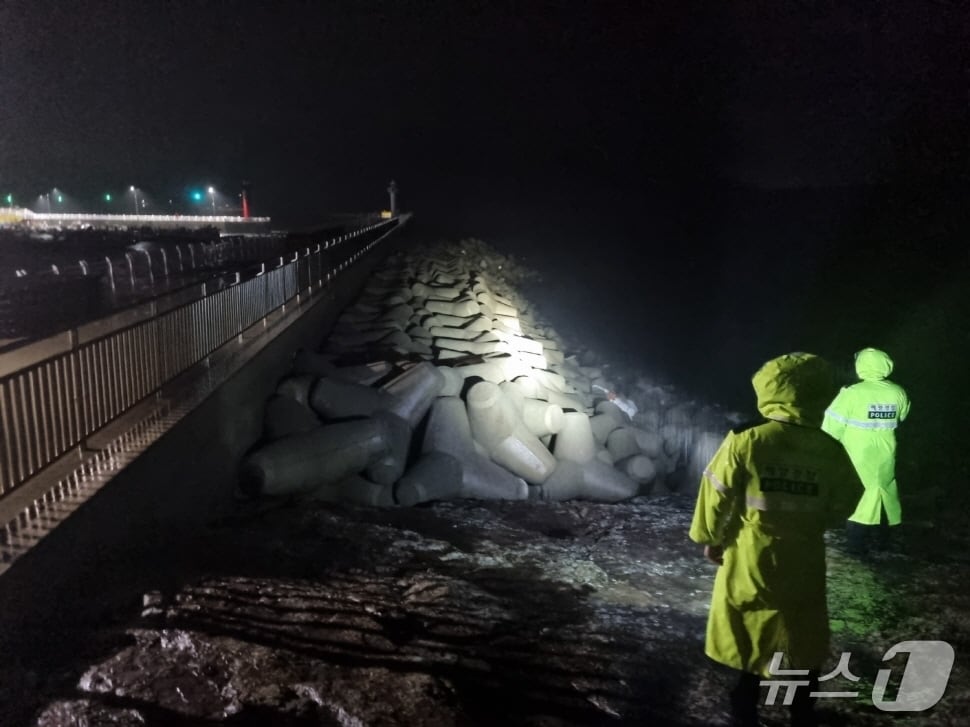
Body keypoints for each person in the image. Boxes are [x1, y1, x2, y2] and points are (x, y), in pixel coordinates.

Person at [689, 352, 863, 727]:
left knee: (750, 627)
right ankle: (801, 712)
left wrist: (710, 537)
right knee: (802, 629)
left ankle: (745, 707)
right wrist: (817, 521)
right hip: (804, 555)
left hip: (751, 556)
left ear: (767, 387)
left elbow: (715, 490)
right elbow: (849, 496)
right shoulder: (829, 449)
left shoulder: (747, 438)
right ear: (820, 395)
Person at [821, 347, 910, 556]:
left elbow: (830, 426)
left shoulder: (852, 393)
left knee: (858, 495)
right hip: (886, 451)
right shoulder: (898, 391)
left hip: (856, 453)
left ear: (860, 366)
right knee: (884, 491)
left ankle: (856, 548)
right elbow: (902, 416)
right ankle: (884, 543)